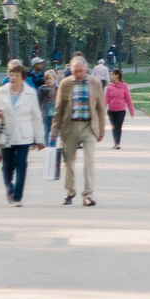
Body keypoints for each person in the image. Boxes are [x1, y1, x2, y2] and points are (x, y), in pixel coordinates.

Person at [0, 59, 44, 206]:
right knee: (7, 165)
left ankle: (17, 197)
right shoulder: (1, 91)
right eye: (11, 74)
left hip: (24, 134)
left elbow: (36, 116)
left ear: (23, 78)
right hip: (6, 134)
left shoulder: (30, 93)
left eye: (17, 75)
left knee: (21, 164)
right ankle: (9, 188)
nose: (13, 77)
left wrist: (40, 139)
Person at [55, 52, 104, 205]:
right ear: (70, 70)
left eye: (81, 71)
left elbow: (101, 109)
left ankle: (88, 195)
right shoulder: (65, 84)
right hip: (70, 126)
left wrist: (101, 130)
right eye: (75, 71)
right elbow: (59, 109)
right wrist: (54, 131)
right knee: (69, 161)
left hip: (89, 126)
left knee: (89, 160)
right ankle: (69, 193)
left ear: (86, 69)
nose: (78, 74)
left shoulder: (95, 83)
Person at [103, 66, 133, 148]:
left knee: (118, 126)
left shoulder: (124, 86)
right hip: (111, 110)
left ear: (117, 75)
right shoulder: (109, 87)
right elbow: (106, 99)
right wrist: (102, 110)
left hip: (121, 110)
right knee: (113, 126)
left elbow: (128, 99)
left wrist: (131, 111)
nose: (111, 76)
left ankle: (117, 143)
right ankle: (115, 142)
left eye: (112, 75)